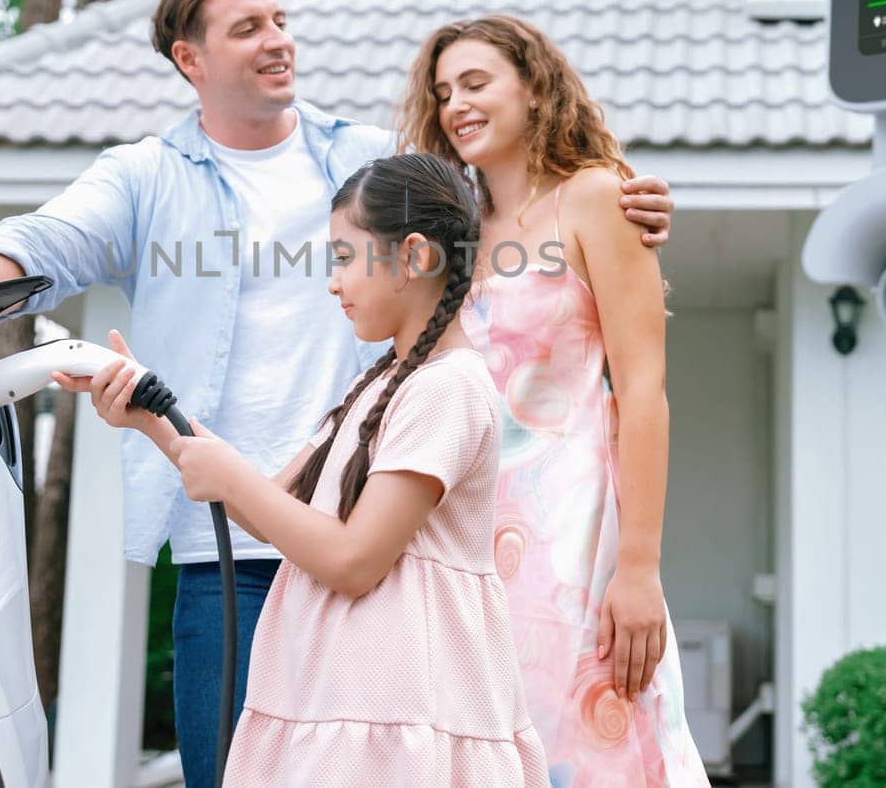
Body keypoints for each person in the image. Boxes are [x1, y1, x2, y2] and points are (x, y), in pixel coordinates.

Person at [0, 0, 675, 786]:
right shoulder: (146, 177)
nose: (278, 40)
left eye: (280, 20)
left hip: (383, 536)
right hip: (236, 540)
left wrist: (622, 195)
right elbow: (41, 242)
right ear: (191, 60)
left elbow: (508, 189)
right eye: (248, 28)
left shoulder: (370, 162)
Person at [71, 154, 549, 786]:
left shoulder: (447, 389)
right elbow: (269, 511)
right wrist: (153, 417)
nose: (332, 283)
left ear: (415, 256)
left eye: (346, 258)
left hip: (400, 711)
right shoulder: (378, 384)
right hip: (348, 699)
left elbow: (355, 560)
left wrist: (231, 476)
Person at [397, 15, 710, 786]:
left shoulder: (598, 199)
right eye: (443, 92)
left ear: (536, 90)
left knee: (593, 751)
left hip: (574, 539)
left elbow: (642, 391)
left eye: (476, 83)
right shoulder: (451, 238)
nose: (455, 105)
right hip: (460, 542)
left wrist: (637, 567)